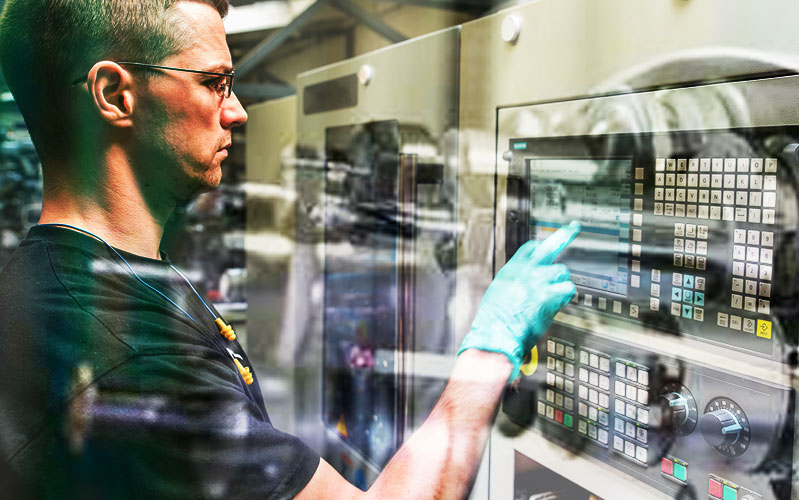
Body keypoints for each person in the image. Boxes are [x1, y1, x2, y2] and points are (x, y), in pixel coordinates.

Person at [0, 0, 581, 498]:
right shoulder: (130, 356)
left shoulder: (53, 278)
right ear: (114, 94)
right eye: (213, 82)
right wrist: (491, 352)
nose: (237, 110)